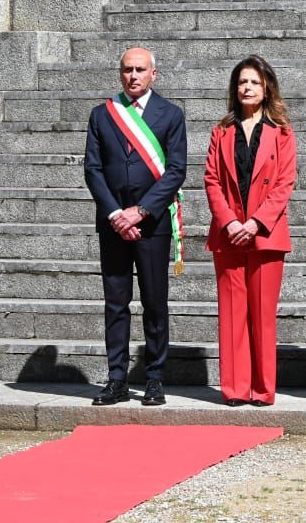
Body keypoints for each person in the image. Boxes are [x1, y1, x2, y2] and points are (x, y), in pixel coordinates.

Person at [83, 47, 187, 406]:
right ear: (120, 73)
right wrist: (116, 214)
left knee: (154, 302)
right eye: (127, 69)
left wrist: (140, 211)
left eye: (140, 70)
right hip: (113, 225)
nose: (133, 76)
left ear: (153, 74)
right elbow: (93, 169)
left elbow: (176, 170)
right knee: (116, 303)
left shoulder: (170, 114)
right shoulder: (102, 115)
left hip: (151, 224)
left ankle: (155, 378)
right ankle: (117, 379)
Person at [203, 55, 297, 406]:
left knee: (262, 315)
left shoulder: (282, 133)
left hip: (266, 234)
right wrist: (229, 221)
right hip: (228, 233)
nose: (247, 87)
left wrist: (256, 222)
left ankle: (262, 389)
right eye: (242, 82)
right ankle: (235, 388)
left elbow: (284, 183)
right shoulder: (221, 131)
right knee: (232, 315)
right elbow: (212, 180)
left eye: (255, 82)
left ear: (267, 88)